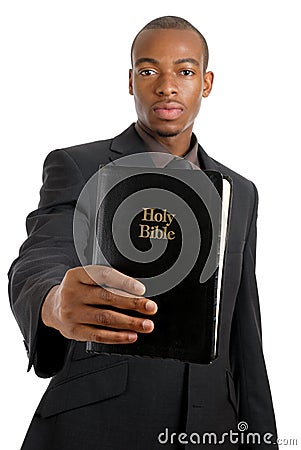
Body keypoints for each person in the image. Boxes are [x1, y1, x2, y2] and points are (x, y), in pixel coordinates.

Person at [8, 16, 278, 449]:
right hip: (102, 424)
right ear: (130, 81)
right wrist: (54, 302)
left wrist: (261, 437)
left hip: (215, 428)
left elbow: (245, 332)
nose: (167, 86)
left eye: (185, 72)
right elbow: (41, 257)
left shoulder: (240, 192)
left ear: (206, 83)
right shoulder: (80, 166)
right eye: (149, 71)